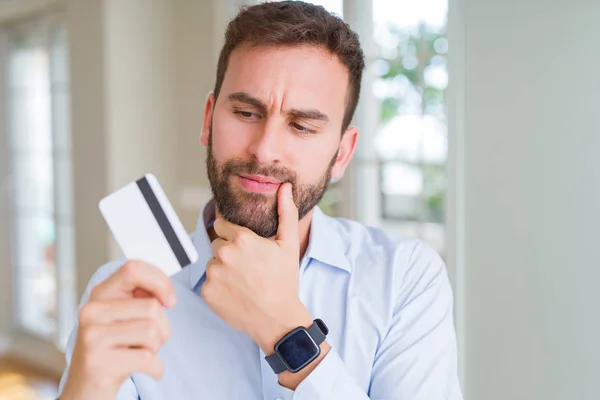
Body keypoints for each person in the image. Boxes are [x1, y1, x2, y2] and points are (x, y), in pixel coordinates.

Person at [57, 1, 463, 399]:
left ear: (342, 153)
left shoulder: (404, 279)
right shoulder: (125, 297)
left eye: (302, 126)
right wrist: (84, 389)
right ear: (208, 120)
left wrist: (285, 332)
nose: (265, 150)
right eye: (247, 113)